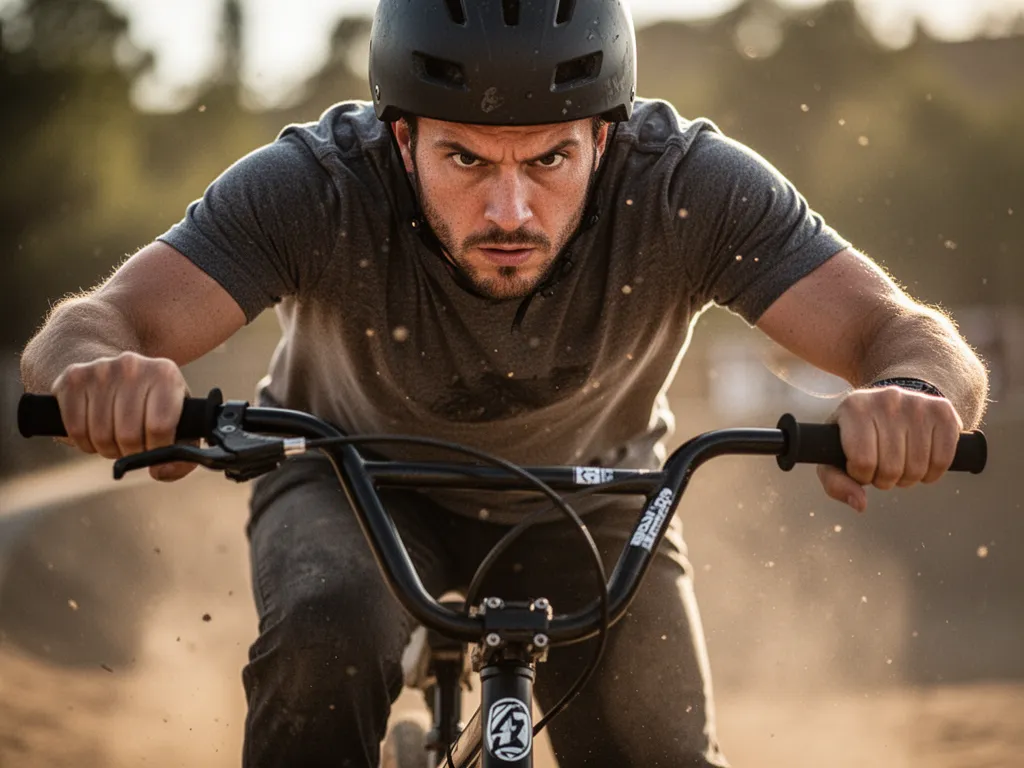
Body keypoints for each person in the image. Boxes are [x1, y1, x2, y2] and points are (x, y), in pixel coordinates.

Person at [19, 1, 988, 766]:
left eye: (552, 157)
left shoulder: (688, 186)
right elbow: (94, 325)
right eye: (465, 159)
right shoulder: (315, 184)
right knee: (326, 634)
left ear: (606, 139)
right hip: (352, 482)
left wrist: (915, 395)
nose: (511, 208)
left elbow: (901, 333)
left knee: (657, 748)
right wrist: (101, 376)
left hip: (595, 496)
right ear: (399, 139)